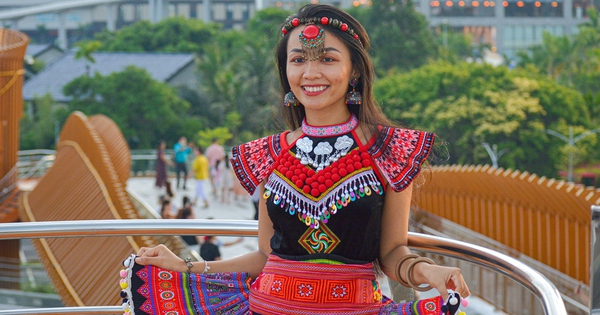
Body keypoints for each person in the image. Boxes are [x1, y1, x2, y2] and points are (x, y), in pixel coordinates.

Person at [131, 4, 469, 315]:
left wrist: (428, 270)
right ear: (286, 73)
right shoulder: (267, 154)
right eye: (298, 60)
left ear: (354, 72)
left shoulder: (391, 150)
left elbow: (392, 252)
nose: (311, 72)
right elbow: (266, 256)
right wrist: (185, 266)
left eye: (327, 59)